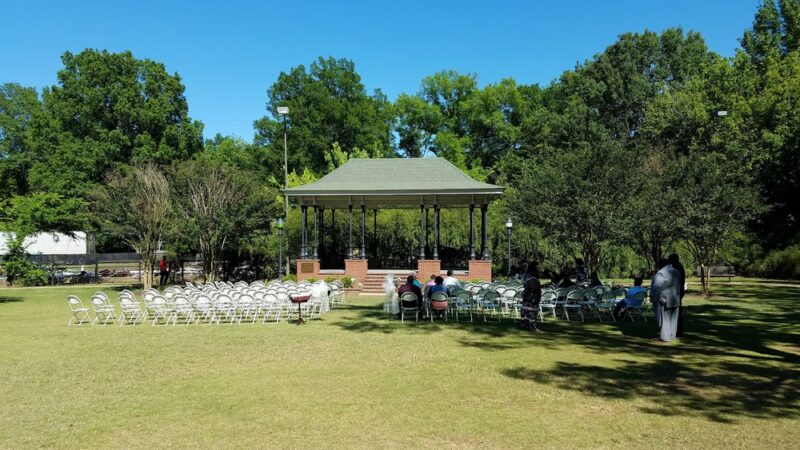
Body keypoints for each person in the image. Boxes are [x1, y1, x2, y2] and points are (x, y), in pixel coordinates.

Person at [650, 259, 681, 342]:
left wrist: (653, 298)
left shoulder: (661, 273)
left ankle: (665, 337)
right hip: (675, 298)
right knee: (673, 319)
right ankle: (671, 335)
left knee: (664, 319)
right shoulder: (677, 272)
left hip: (664, 299)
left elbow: (656, 287)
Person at [520, 261, 543, 332]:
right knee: (531, 311)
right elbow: (533, 287)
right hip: (531, 297)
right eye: (537, 268)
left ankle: (525, 324)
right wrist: (538, 287)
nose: (539, 270)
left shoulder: (527, 276)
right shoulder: (532, 277)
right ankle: (532, 326)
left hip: (527, 296)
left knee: (526, 310)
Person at [669, 253, 686, 337]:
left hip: (675, 292)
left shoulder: (675, 269)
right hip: (679, 291)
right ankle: (677, 330)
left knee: (676, 311)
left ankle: (676, 330)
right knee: (678, 311)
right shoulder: (680, 268)